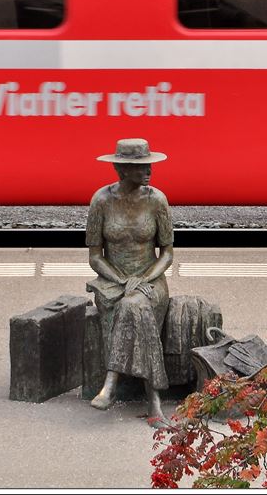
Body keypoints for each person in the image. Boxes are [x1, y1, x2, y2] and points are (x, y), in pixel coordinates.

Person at [85, 138, 173, 421]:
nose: (148, 171)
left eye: (149, 165)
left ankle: (110, 384)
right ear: (121, 169)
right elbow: (95, 257)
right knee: (131, 305)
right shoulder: (101, 201)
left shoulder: (157, 200)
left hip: (150, 281)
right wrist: (123, 281)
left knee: (133, 305)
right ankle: (154, 397)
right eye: (140, 166)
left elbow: (167, 255)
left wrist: (142, 278)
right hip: (112, 280)